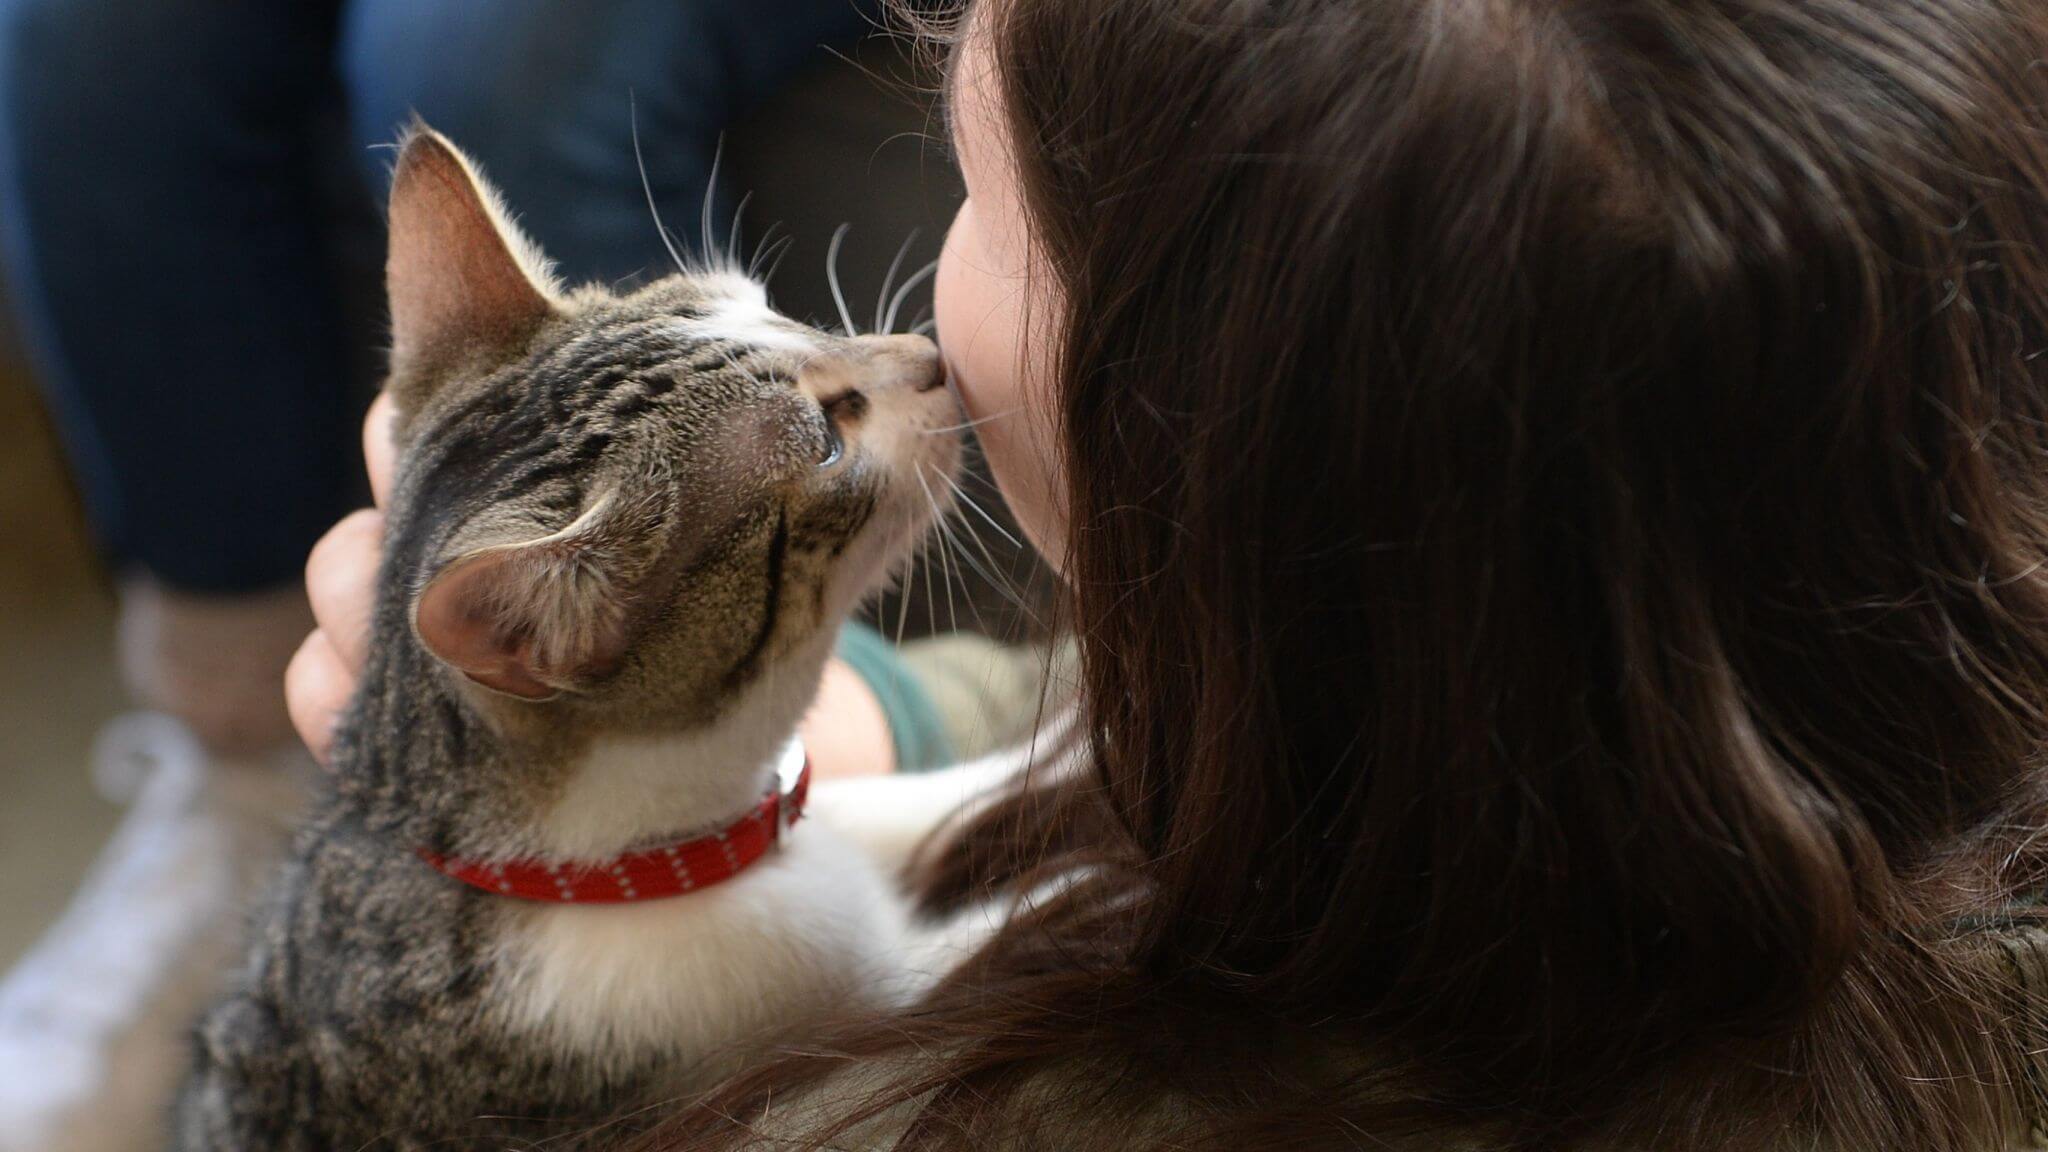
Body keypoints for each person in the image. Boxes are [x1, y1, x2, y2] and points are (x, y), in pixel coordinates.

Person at [300, 0, 2048, 1147]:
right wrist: (879, 720)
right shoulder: (1762, 704)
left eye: (976, 201)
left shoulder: (904, 1116)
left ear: (1211, 458)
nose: (910, 315)